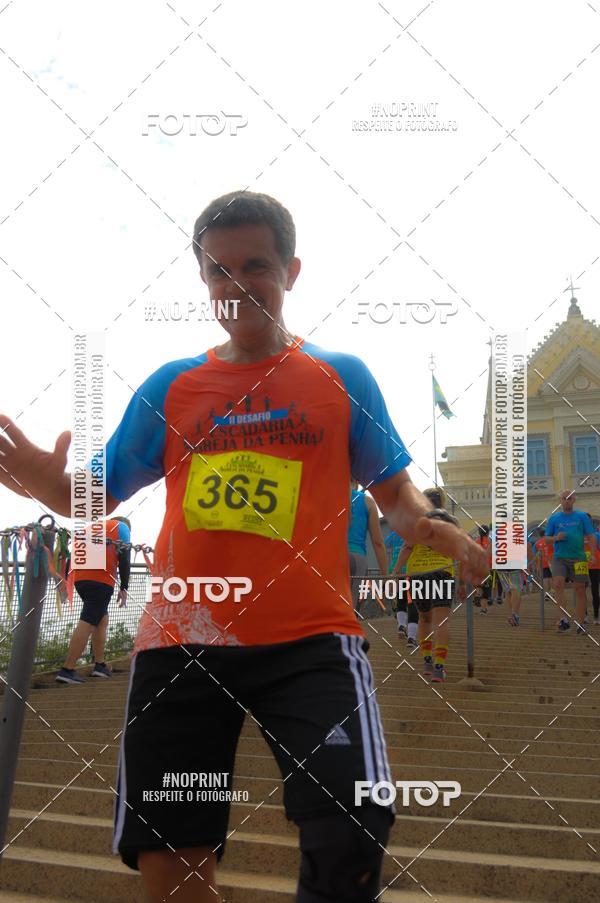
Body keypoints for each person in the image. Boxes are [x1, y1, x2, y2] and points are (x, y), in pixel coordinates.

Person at [0, 191, 487, 903]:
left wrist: (431, 526)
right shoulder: (173, 386)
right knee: (171, 855)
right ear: (203, 280)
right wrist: (49, 485)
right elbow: (94, 497)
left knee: (352, 824)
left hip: (311, 640)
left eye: (255, 265)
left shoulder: (341, 376)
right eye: (218, 271)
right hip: (182, 642)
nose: (236, 285)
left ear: (292, 270)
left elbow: (395, 494)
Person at [392, 487, 465, 681]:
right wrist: (462, 580)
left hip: (418, 574)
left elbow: (407, 547)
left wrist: (395, 572)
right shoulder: (451, 521)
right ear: (442, 503)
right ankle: (439, 668)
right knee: (441, 622)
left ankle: (427, 663)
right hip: (442, 572)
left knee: (424, 619)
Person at [55, 516, 131, 683]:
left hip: (80, 579)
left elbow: (74, 554)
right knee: (88, 622)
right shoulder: (122, 528)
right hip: (100, 580)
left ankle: (99, 665)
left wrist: (67, 580)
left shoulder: (92, 528)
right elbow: (125, 558)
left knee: (101, 619)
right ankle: (67, 669)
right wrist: (124, 587)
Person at [546, 490, 597, 634]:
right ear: (560, 501)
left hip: (579, 557)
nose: (566, 501)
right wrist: (556, 538)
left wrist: (593, 554)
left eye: (569, 498)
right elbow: (546, 539)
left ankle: (581, 623)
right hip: (559, 557)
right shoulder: (554, 518)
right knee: (558, 584)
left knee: (580, 588)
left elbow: (591, 536)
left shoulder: (582, 516)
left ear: (574, 500)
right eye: (564, 498)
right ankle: (563, 619)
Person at [347, 479, 388, 616]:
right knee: (351, 610)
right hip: (358, 558)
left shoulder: (329, 497)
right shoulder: (367, 501)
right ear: (356, 481)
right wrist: (385, 576)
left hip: (334, 557)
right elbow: (378, 542)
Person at [384, 528, 419, 644]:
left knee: (401, 598)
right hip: (411, 568)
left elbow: (385, 544)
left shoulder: (394, 533)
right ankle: (412, 636)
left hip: (396, 568)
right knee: (412, 602)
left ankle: (401, 625)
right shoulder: (414, 531)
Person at [587, 519, 600, 625]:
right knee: (581, 590)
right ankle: (585, 615)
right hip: (580, 564)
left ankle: (596, 616)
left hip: (595, 565)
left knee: (595, 591)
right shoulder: (578, 535)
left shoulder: (597, 535)